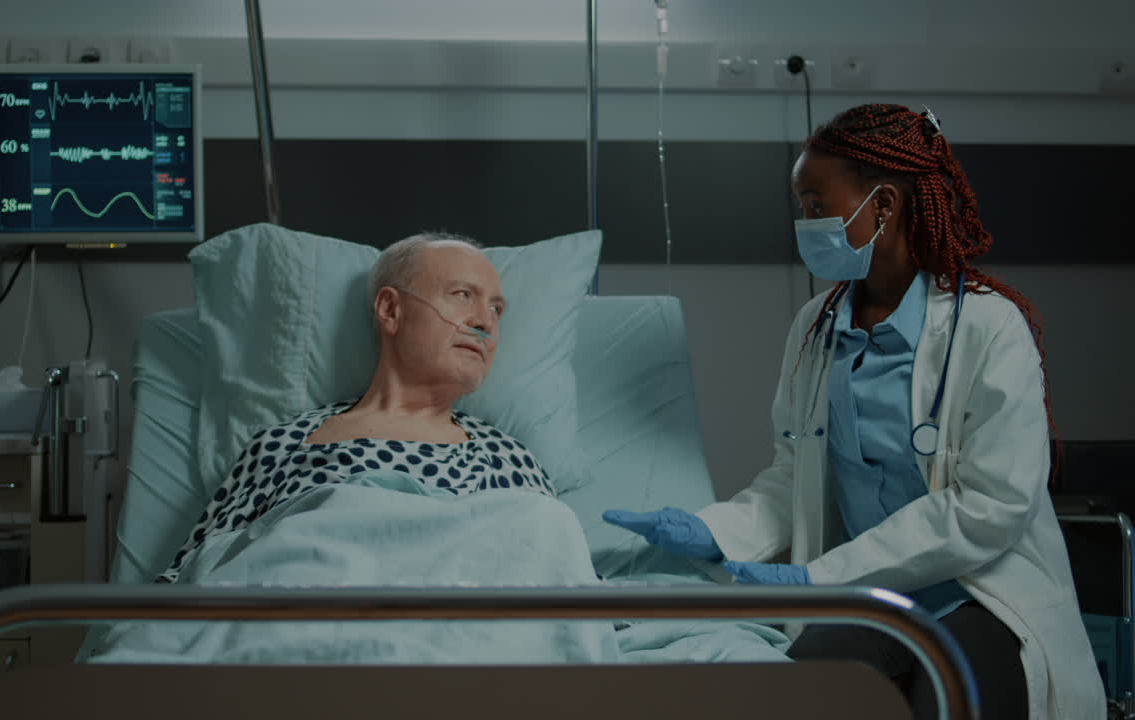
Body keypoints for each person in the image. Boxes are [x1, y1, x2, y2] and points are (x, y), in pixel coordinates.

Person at [604, 104, 1103, 720]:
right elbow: (793, 476)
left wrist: (820, 576)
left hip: (982, 592)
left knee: (950, 698)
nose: (805, 223)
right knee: (805, 694)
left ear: (884, 207)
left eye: (816, 205)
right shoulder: (814, 330)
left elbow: (990, 507)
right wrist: (713, 531)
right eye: (802, 208)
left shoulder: (988, 327)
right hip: (870, 597)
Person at [159, 232, 554, 583]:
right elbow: (195, 576)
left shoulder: (509, 457)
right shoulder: (285, 443)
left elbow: (559, 575)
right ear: (390, 310)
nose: (485, 322)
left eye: (497, 309)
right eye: (462, 295)